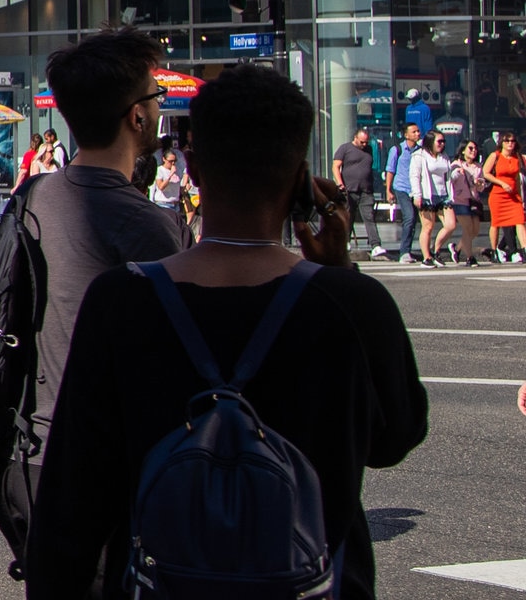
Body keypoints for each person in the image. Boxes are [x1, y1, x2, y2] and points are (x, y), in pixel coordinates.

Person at [24, 65, 427, 600]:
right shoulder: (353, 303)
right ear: (302, 178)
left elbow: (72, 499)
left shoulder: (121, 301)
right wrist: (341, 269)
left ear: (192, 167)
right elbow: (393, 437)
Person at [0, 29, 191, 562]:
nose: (160, 104)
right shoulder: (152, 228)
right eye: (155, 95)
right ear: (136, 116)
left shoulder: (32, 198)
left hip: (27, 454)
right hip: (106, 465)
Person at [409, 131, 456, 266]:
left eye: (443, 141)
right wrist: (417, 195)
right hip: (427, 195)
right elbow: (415, 176)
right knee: (428, 227)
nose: (442, 144)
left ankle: (436, 250)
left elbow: (448, 175)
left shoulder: (444, 156)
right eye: (439, 141)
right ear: (431, 141)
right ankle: (426, 257)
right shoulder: (419, 156)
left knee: (450, 225)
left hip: (443, 194)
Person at [333, 125, 379, 258]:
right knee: (348, 216)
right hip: (349, 189)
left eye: (366, 142)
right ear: (355, 138)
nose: (364, 145)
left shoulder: (369, 149)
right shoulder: (345, 148)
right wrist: (340, 183)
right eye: (361, 142)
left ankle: (375, 245)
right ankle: (345, 242)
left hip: (365, 189)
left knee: (369, 217)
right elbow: (336, 166)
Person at [384, 121, 424, 261]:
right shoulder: (397, 149)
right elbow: (390, 170)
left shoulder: (420, 150)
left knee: (413, 221)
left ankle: (408, 250)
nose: (417, 134)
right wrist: (388, 190)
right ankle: (404, 252)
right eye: (414, 132)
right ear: (406, 135)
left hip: (416, 189)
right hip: (401, 187)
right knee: (409, 216)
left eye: (418, 131)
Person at [487, 132, 525, 263]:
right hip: (498, 194)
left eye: (513, 141)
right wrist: (502, 183)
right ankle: (494, 250)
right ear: (501, 143)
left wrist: (520, 196)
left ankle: (524, 249)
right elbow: (486, 173)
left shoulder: (518, 157)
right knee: (496, 224)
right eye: (507, 141)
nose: (510, 143)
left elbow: (517, 178)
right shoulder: (495, 156)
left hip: (513, 196)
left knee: (520, 221)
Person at [453, 139, 488, 265]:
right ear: (463, 150)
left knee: (475, 230)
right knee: (467, 228)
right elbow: (451, 181)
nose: (474, 151)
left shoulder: (478, 167)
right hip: (460, 200)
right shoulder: (457, 164)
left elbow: (481, 187)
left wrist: (479, 184)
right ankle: (469, 257)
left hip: (473, 200)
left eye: (475, 149)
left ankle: (456, 249)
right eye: (470, 148)